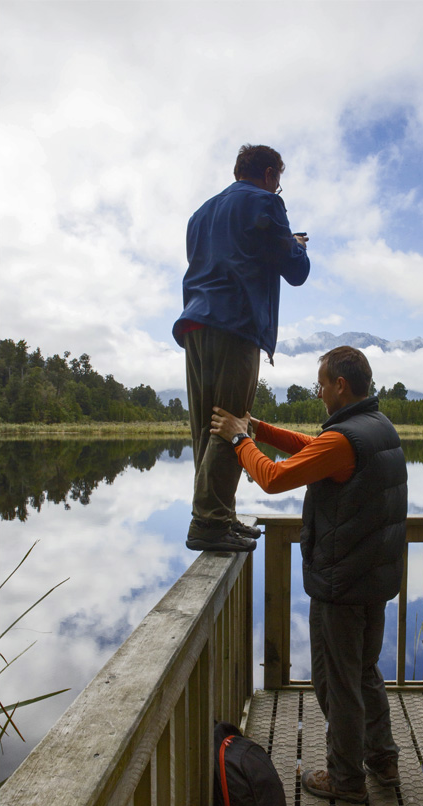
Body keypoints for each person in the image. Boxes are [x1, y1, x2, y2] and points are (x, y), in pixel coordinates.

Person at [212, 345, 405, 803]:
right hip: (373, 580)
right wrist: (259, 427)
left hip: (343, 584)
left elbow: (275, 479)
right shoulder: (376, 428)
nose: (318, 392)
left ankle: (346, 778)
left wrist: (241, 442)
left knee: (336, 683)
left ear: (340, 384)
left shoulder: (344, 439)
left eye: (321, 383)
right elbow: (312, 450)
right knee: (363, 675)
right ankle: (383, 760)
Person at [176, 143, 312, 552]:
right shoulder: (265, 203)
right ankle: (209, 524)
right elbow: (296, 272)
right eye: (279, 180)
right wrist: (297, 244)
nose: (278, 187)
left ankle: (218, 514)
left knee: (207, 424)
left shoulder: (200, 214)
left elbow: (224, 257)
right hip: (236, 323)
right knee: (231, 419)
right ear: (270, 174)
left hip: (195, 323)